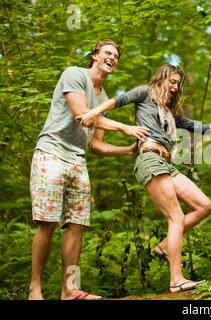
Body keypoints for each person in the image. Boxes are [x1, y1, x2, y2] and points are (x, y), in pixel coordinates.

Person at [77, 64, 211, 293]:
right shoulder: (144, 92)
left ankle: (165, 247)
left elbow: (201, 127)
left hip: (166, 163)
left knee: (204, 205)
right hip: (150, 158)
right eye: (172, 82)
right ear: (161, 79)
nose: (175, 87)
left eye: (178, 83)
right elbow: (117, 101)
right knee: (176, 216)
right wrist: (93, 113)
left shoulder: (168, 112)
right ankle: (176, 280)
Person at [29, 39, 151, 300]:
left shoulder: (105, 98)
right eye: (107, 53)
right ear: (95, 56)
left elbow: (96, 145)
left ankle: (69, 289)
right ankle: (34, 289)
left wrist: (128, 150)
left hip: (78, 159)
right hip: (51, 152)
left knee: (76, 225)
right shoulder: (74, 74)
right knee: (48, 223)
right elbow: (82, 114)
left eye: (116, 56)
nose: (112, 58)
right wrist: (125, 127)